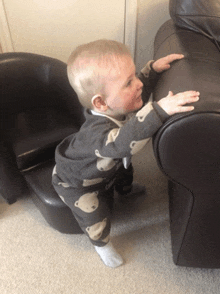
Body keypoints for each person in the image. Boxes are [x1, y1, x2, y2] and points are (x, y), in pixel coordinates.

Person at [52, 39, 199, 268]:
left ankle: (125, 191)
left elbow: (136, 101)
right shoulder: (96, 133)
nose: (138, 84)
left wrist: (152, 72)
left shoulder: (117, 105)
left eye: (135, 76)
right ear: (101, 103)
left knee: (125, 171)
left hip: (109, 165)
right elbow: (123, 143)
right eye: (129, 82)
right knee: (94, 215)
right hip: (76, 182)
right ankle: (101, 245)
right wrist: (159, 110)